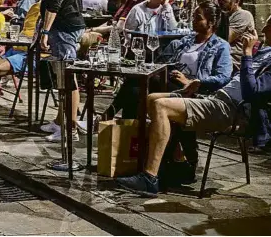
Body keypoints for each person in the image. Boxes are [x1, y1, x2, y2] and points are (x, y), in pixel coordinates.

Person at [115, 21, 270, 197]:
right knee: (150, 98)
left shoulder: (228, 47)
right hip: (216, 98)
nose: (263, 30)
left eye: (269, 26)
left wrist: (247, 54)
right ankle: (180, 162)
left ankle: (149, 178)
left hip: (232, 111)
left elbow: (252, 92)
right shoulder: (265, 52)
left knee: (161, 106)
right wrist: (198, 84)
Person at [97, 1, 232, 130]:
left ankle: (113, 121)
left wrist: (192, 81)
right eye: (194, 17)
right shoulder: (185, 41)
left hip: (191, 90)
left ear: (211, 23)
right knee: (135, 90)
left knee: (136, 87)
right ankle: (130, 136)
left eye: (198, 18)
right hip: (169, 80)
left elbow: (223, 77)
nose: (194, 21)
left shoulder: (221, 46)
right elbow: (160, 63)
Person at [38, 0, 86, 143]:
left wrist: (45, 31)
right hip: (75, 24)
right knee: (63, 76)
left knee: (68, 78)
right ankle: (60, 121)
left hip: (63, 28)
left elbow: (54, 2)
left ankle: (70, 129)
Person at [216, 0, 255, 71]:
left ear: (237, 1)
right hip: (218, 58)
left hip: (231, 63)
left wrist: (218, 13)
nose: (219, 1)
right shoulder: (225, 15)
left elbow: (224, 39)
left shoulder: (244, 15)